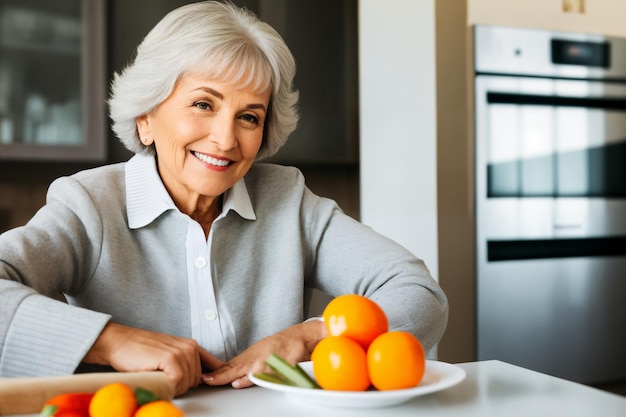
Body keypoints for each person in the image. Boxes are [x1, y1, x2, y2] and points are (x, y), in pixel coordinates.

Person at [0, 1, 448, 396]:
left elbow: (418, 293)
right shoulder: (89, 205)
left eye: (248, 117)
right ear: (146, 119)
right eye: (203, 105)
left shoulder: (289, 201)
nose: (225, 138)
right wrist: (111, 340)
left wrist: (309, 337)